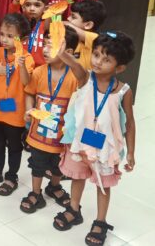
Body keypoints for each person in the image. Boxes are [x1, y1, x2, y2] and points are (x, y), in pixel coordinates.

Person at [53, 32, 136, 246]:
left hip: (104, 148)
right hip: (80, 143)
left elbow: (129, 123)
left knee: (103, 185)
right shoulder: (85, 78)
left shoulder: (123, 91)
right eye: (96, 54)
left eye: (106, 59)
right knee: (78, 176)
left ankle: (100, 221)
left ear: (119, 68)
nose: (98, 61)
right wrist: (62, 52)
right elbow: (73, 63)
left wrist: (131, 152)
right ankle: (74, 208)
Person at [19, 27, 80, 214]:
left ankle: (54, 186)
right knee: (37, 164)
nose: (44, 50)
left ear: (68, 52)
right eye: (44, 44)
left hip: (62, 135)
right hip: (39, 133)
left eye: (51, 46)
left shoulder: (75, 77)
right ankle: (35, 192)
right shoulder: (39, 72)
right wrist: (29, 109)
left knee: (58, 164)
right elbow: (29, 92)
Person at [0, 13, 34, 196]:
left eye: (10, 36)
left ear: (23, 39)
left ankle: (11, 177)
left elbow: (26, 82)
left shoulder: (27, 58)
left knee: (15, 147)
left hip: (15, 114)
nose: (4, 39)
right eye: (2, 34)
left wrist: (21, 65)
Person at [10, 0, 49, 66]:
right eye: (28, 5)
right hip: (21, 65)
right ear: (23, 7)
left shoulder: (46, 24)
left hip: (40, 68)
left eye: (37, 5)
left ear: (45, 9)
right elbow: (13, 11)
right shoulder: (21, 22)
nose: (32, 8)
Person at [65, 0, 107, 71]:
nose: (68, 18)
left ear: (88, 25)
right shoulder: (70, 36)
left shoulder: (95, 38)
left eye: (73, 17)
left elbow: (66, 25)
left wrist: (59, 22)